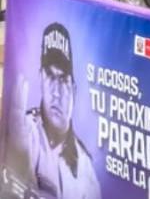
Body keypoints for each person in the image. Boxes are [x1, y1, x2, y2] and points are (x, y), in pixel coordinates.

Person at [5, 23, 101, 199]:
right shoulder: (26, 133)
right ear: (41, 77)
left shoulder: (86, 171)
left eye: (63, 80)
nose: (56, 92)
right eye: (50, 76)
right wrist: (14, 164)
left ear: (73, 89)